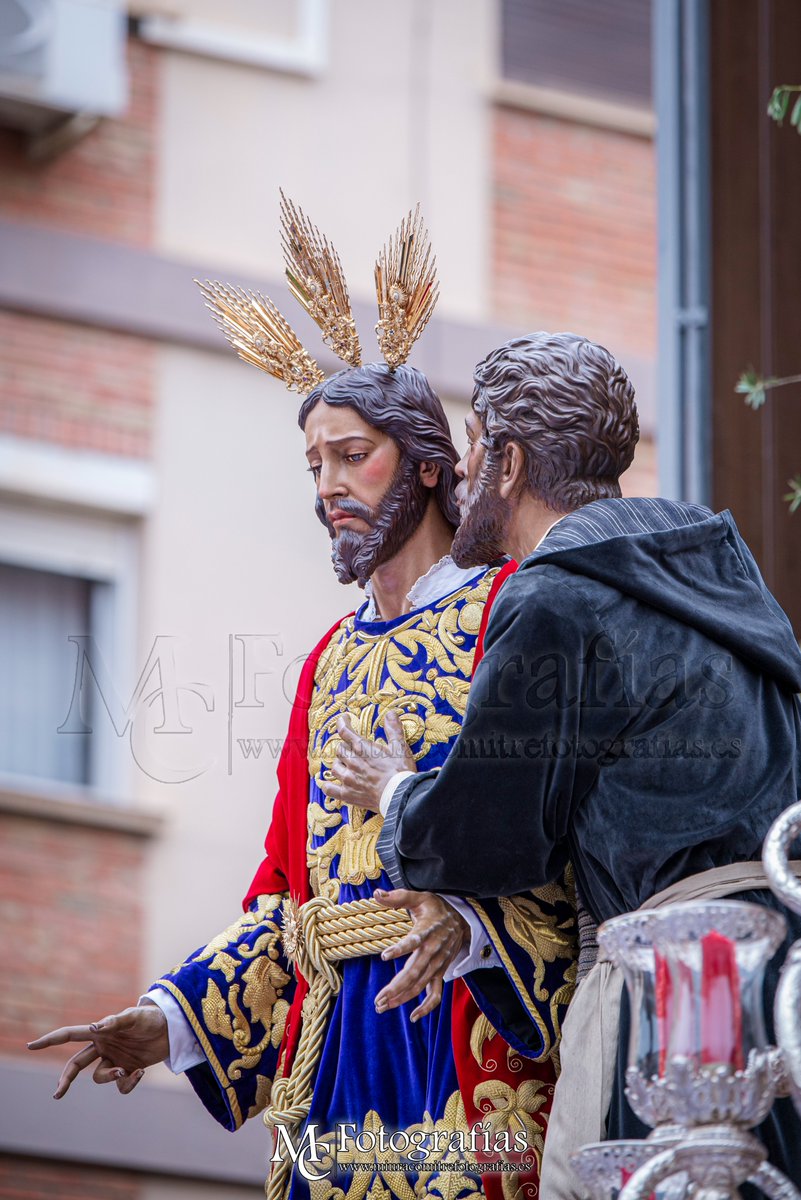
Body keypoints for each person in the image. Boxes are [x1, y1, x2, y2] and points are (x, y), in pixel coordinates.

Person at [29, 268, 578, 1200]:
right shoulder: (329, 663)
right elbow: (288, 888)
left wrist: (470, 921)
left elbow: (557, 829)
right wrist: (173, 1019)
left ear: (429, 465)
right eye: (314, 465)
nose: (327, 488)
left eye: (351, 456)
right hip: (339, 1052)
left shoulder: (510, 614)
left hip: (462, 1026)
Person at [330, 331, 801, 1198]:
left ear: (507, 462)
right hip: (783, 984)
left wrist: (394, 792)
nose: (463, 470)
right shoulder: (719, 578)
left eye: (474, 444)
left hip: (675, 989)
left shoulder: (556, 593)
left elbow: (490, 835)